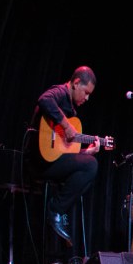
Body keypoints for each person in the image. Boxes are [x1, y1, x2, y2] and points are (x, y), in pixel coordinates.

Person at [28, 65, 109, 244]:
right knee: (91, 166)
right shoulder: (60, 92)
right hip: (38, 162)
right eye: (86, 92)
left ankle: (59, 210)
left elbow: (63, 151)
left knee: (88, 174)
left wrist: (85, 152)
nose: (87, 98)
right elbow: (44, 99)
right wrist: (66, 125)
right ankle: (55, 210)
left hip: (52, 161)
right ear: (76, 83)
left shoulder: (71, 108)